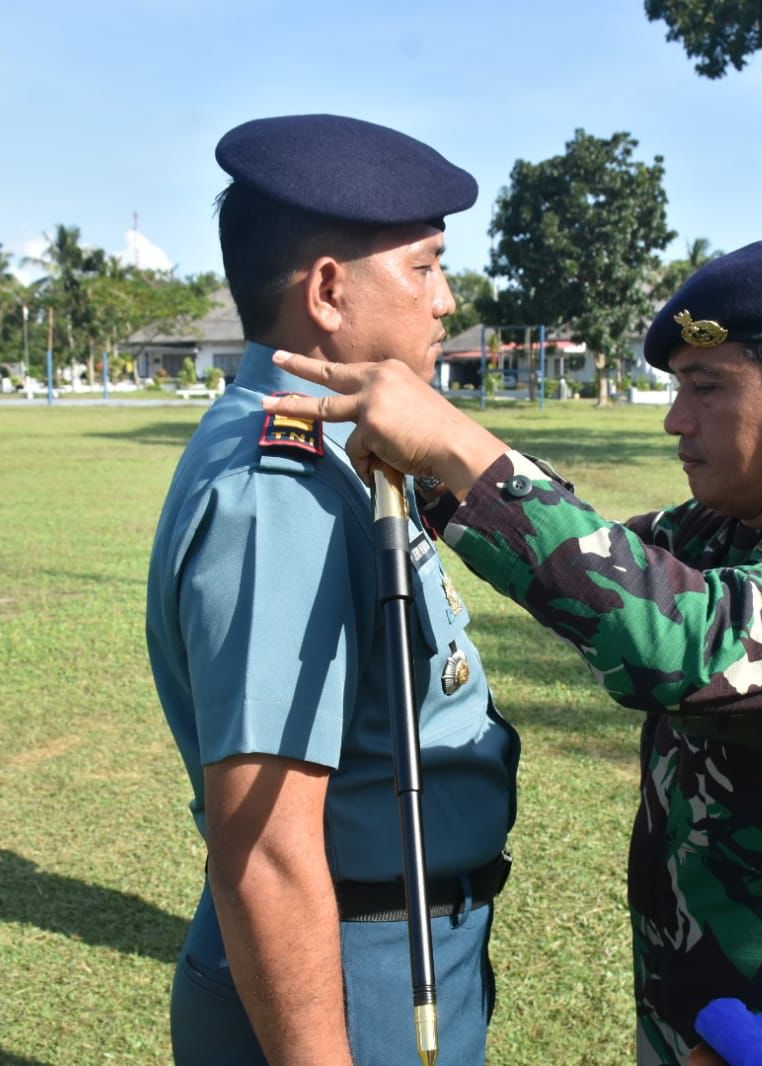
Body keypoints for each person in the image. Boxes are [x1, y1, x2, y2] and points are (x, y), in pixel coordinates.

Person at [267, 237, 762, 1065]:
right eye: (678, 389)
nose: (676, 420)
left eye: (705, 389)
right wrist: (434, 476)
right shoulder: (723, 530)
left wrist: (458, 447)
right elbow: (595, 558)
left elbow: (676, 639)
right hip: (699, 1010)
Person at [146, 114, 520, 1066]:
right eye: (425, 267)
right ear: (326, 291)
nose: (445, 301)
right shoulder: (284, 491)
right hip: (350, 972)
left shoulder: (329, 453)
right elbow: (267, 848)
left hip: (392, 947)